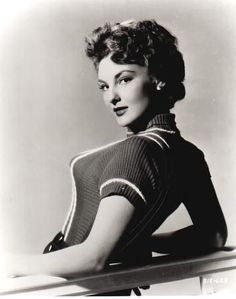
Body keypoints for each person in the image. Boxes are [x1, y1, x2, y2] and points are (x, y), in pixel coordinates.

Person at [1, 19, 227, 296]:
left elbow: (92, 258)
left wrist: (10, 262)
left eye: (124, 79)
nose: (112, 97)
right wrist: (141, 240)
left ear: (158, 78)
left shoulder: (138, 151)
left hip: (70, 286)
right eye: (104, 86)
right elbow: (213, 236)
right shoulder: (189, 155)